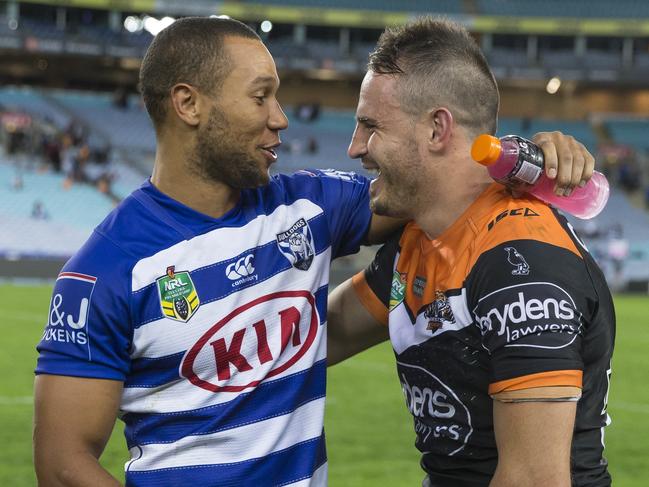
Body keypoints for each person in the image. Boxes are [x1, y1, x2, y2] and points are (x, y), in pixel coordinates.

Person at [33, 16, 595, 487]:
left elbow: (440, 180)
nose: (280, 116)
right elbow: (62, 464)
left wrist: (526, 157)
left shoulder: (310, 206)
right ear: (188, 104)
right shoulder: (102, 272)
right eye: (261, 97)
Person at [327, 18, 614, 487]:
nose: (356, 147)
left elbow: (533, 481)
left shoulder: (521, 264)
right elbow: (319, 334)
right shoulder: (420, 238)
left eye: (370, 125)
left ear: (438, 128)